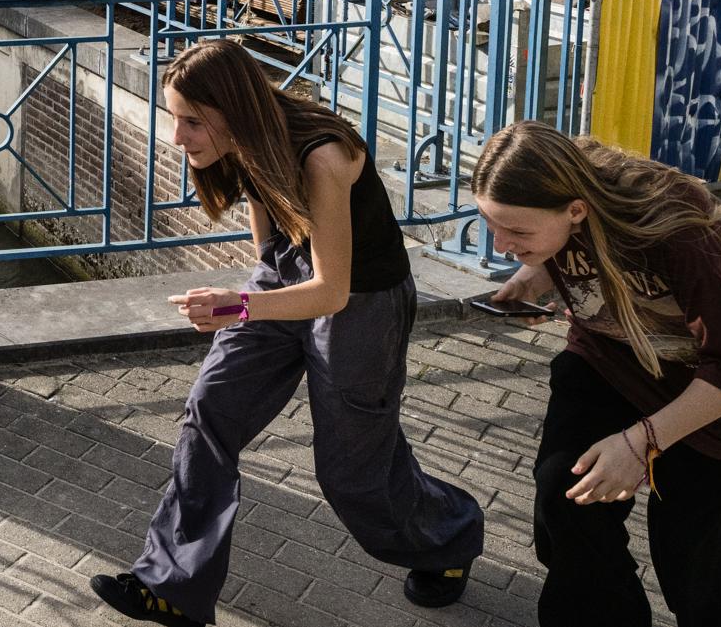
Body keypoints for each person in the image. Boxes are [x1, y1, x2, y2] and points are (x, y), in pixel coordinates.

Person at [89, 40, 483, 622]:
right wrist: (258, 295)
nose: (177, 137)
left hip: (362, 304)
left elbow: (331, 293)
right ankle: (173, 589)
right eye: (174, 117)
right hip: (286, 279)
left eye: (192, 121)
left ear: (234, 109)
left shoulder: (323, 156)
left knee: (351, 473)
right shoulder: (248, 137)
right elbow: (268, 235)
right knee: (210, 413)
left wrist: (241, 306)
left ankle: (449, 536)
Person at [473, 121, 721, 626]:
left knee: (695, 559)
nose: (502, 243)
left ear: (576, 209)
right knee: (564, 498)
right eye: (493, 225)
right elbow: (558, 239)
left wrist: (641, 443)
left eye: (517, 232)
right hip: (610, 362)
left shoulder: (678, 227)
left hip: (713, 395)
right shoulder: (560, 191)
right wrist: (533, 268)